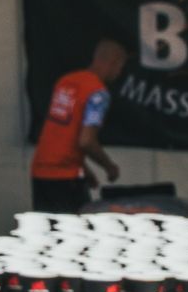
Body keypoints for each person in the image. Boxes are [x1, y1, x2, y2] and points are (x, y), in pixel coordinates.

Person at [31, 38, 126, 212]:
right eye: (120, 68)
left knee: (46, 228)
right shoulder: (98, 94)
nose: (119, 73)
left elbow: (63, 135)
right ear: (114, 63)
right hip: (66, 178)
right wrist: (109, 167)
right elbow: (86, 141)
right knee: (77, 228)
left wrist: (85, 170)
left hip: (40, 172)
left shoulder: (66, 82)